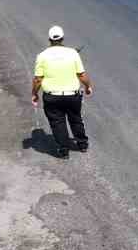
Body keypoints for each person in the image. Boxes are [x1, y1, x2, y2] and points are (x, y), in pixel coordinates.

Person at [31, 25, 92, 157]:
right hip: (72, 96)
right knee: (76, 119)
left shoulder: (42, 56)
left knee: (57, 122)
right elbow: (82, 75)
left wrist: (35, 94)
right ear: (63, 38)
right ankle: (82, 144)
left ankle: (63, 150)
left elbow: (37, 80)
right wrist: (88, 87)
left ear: (49, 39)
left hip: (52, 97)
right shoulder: (73, 53)